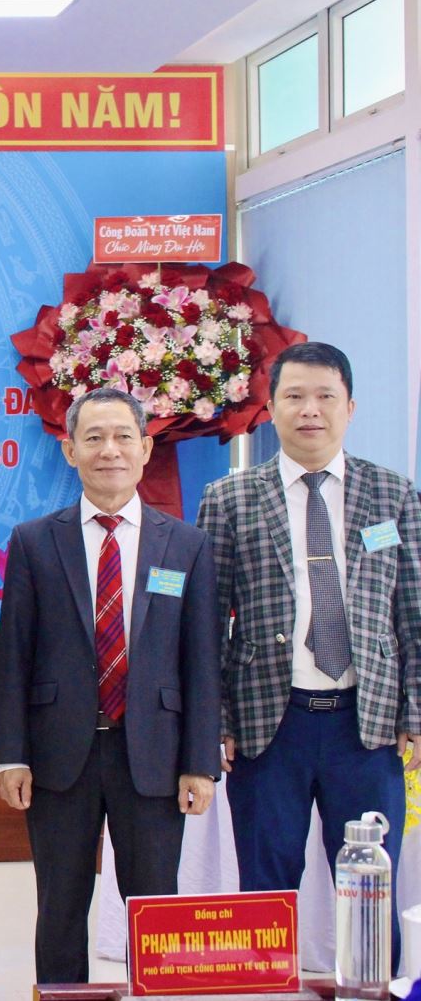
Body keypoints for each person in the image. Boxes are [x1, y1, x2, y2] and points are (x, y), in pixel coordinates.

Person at [197, 341, 421, 960]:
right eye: (294, 396)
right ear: (271, 408)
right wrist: (216, 719)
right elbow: (208, 621)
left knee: (370, 890)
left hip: (367, 727)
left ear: (350, 407)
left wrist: (416, 711)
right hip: (269, 725)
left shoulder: (393, 494)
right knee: (265, 887)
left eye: (326, 396)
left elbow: (413, 612)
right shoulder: (230, 498)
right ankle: (266, 992)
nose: (310, 410)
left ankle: (370, 992)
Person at [0, 387, 221, 984]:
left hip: (154, 754)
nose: (109, 450)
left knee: (154, 907)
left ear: (145, 448)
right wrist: (12, 754)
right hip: (58, 754)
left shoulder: (186, 545)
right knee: (60, 907)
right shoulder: (35, 541)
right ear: (70, 451)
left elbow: (202, 660)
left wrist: (200, 762)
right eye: (93, 438)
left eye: (123, 437)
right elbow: (13, 656)